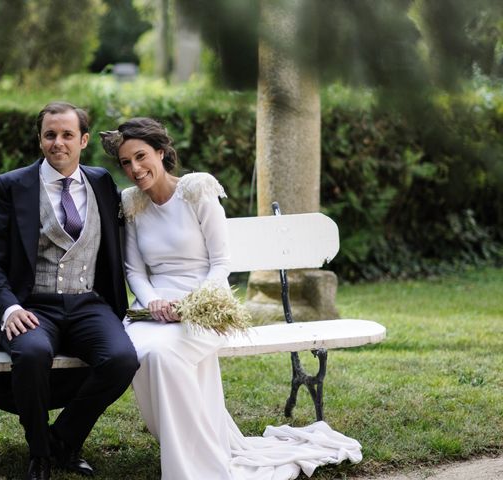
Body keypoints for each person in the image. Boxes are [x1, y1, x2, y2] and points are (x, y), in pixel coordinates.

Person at [100, 117, 363, 480]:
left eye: (141, 156)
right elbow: (135, 272)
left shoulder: (196, 190)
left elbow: (221, 263)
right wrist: (155, 302)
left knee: (163, 355)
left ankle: (189, 467)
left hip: (206, 304)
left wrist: (192, 304)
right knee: (141, 354)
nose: (135, 169)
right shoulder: (131, 203)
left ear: (161, 153)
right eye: (126, 162)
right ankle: (194, 447)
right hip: (155, 308)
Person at [0, 101, 139, 480]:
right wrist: (9, 309)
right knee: (31, 353)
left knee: (122, 360)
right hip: (32, 305)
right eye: (50, 135)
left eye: (67, 135)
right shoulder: (11, 186)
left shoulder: (101, 182)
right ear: (40, 139)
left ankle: (62, 440)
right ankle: (40, 453)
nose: (58, 143)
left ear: (83, 140)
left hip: (87, 303)